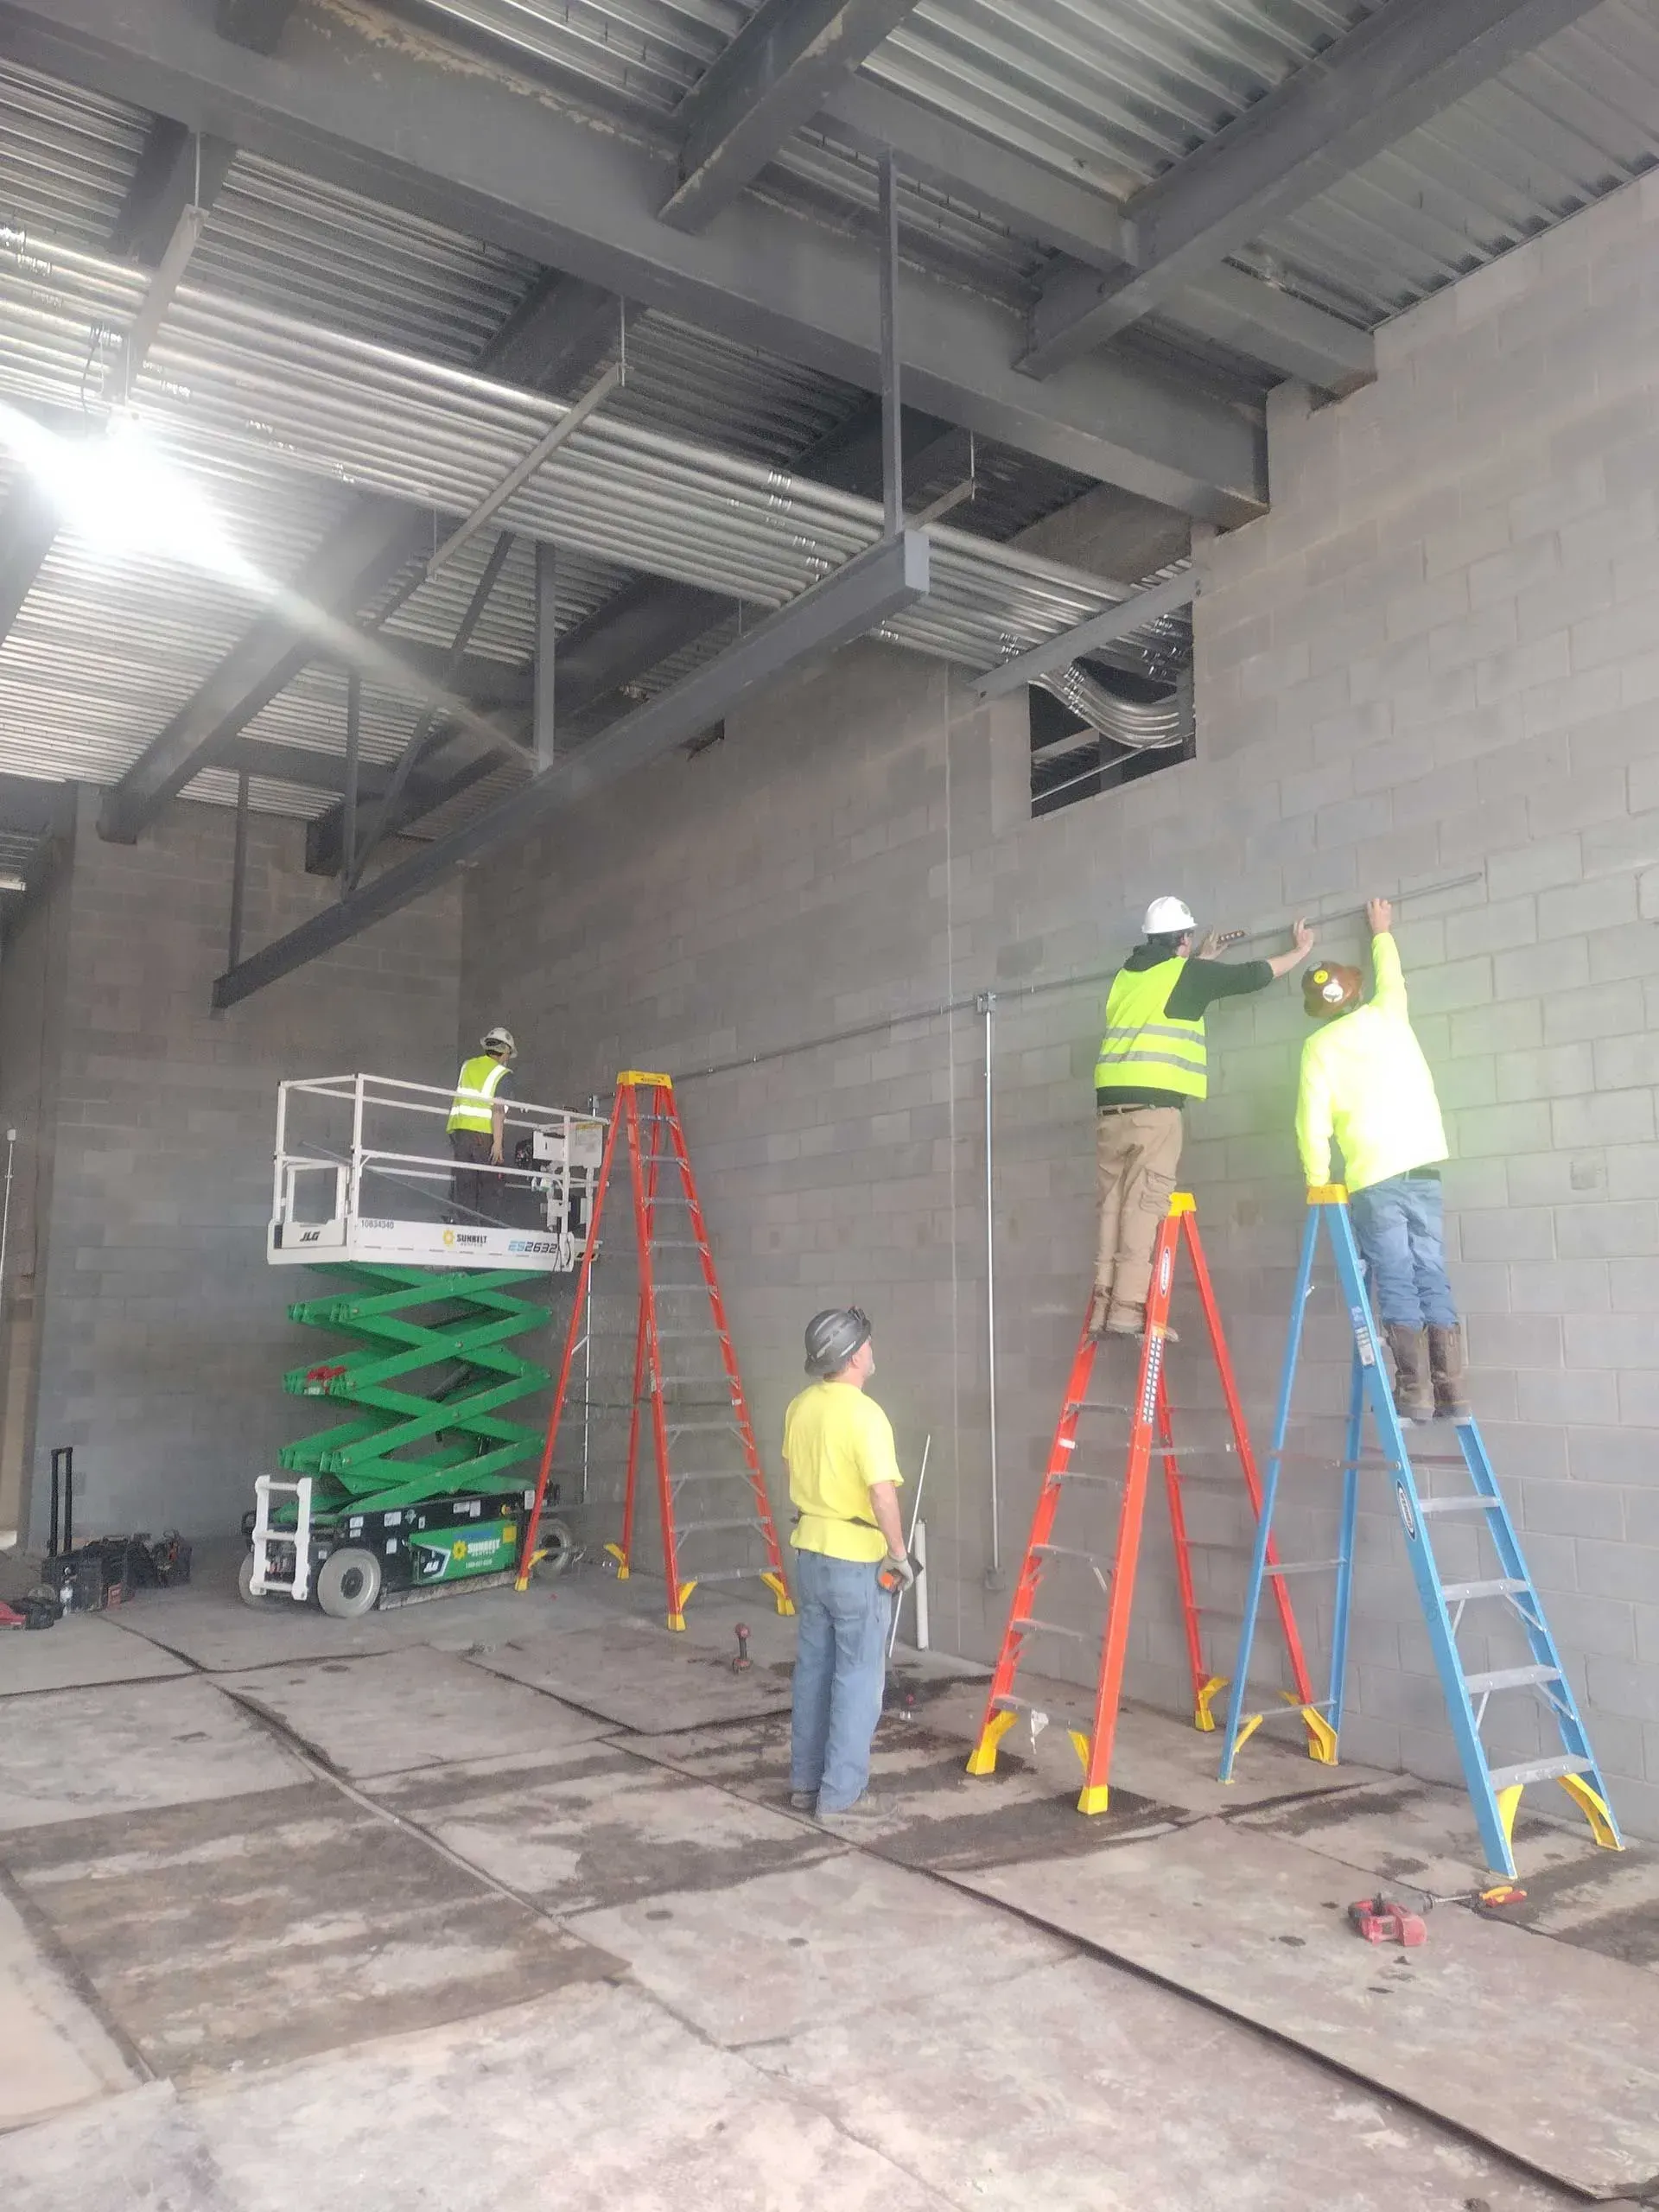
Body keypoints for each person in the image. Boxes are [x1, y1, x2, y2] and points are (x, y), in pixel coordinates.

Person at [1090, 897, 1314, 1338]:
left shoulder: (1127, 977)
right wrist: (1300, 951)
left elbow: (1167, 994)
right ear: (1184, 940)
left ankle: (1101, 1306)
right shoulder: (1185, 973)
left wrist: (1203, 959)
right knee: (1146, 1203)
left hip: (1109, 1108)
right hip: (1154, 1109)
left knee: (1112, 1205)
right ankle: (1128, 1309)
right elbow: (1251, 976)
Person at [1295, 899, 1468, 1422]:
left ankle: (1413, 1391)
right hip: (1424, 1163)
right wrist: (1381, 932)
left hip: (1375, 1175)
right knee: (1430, 1270)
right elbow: (1393, 975)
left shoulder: (1319, 1047)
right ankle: (1452, 1392)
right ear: (1356, 990)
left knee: (1394, 1273)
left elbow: (1312, 1124)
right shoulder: (1389, 1010)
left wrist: (1319, 1184)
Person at [784, 1306, 912, 1827]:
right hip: (856, 1560)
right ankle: (841, 1795)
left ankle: (804, 1784)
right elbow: (881, 1496)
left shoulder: (799, 1407)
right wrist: (899, 1555)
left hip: (810, 1552)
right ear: (855, 1355)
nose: (872, 1351)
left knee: (814, 1671)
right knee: (859, 1678)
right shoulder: (865, 1415)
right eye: (868, 1345)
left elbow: (794, 1467)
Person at [447, 1027, 517, 1223]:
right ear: (503, 1052)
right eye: (508, 1055)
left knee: (465, 1186)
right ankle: (488, 1233)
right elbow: (498, 1109)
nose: (507, 1059)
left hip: (461, 1134)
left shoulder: (467, 1065)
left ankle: (465, 1230)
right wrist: (497, 1143)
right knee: (491, 1186)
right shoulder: (503, 1074)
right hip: (484, 1135)